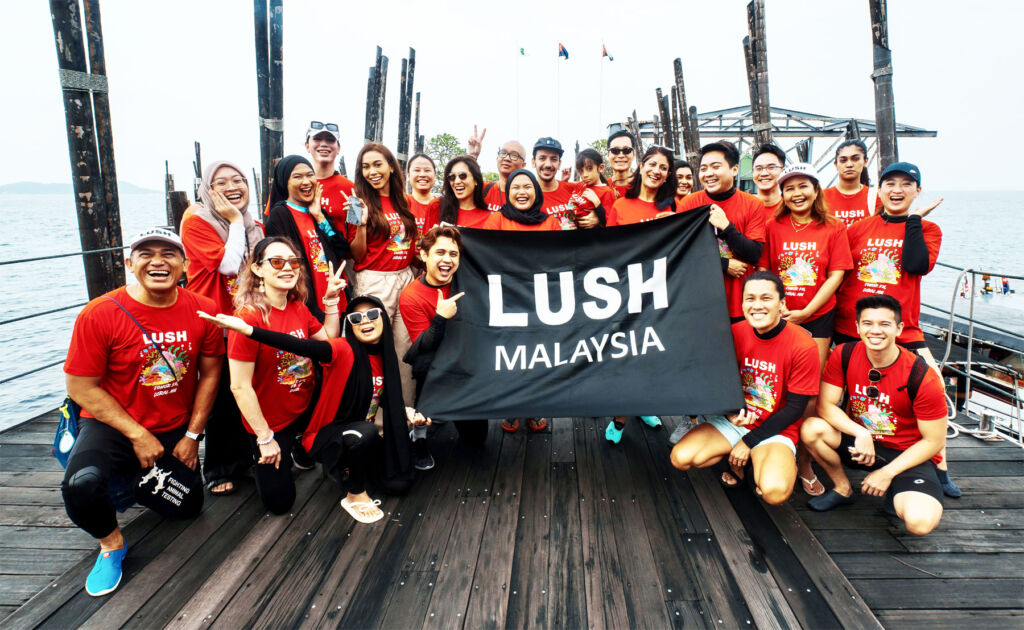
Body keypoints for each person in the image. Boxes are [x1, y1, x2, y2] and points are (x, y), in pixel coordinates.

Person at [63, 228, 224, 596]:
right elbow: (80, 387)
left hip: (173, 425)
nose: (157, 261)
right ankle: (111, 544)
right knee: (81, 485)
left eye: (169, 254)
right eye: (146, 253)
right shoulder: (100, 313)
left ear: (184, 264)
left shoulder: (204, 310)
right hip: (113, 424)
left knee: (187, 507)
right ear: (129, 262)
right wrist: (137, 434)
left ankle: (125, 483)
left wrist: (192, 436)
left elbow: (211, 373)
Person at [200, 295, 423, 524]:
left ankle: (345, 465)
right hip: (330, 433)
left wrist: (405, 410)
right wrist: (250, 330)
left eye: (373, 314)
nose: (365, 321)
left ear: (384, 319)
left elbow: (378, 395)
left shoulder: (386, 356)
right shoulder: (341, 350)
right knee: (364, 435)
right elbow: (299, 344)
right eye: (356, 318)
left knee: (398, 483)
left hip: (355, 433)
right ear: (351, 326)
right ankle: (354, 493)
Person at [832, 161, 960, 497]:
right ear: (879, 190)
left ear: (918, 191)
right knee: (846, 393)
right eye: (890, 183)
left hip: (904, 329)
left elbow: (916, 264)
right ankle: (857, 452)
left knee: (932, 391)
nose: (897, 190)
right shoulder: (858, 229)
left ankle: (938, 466)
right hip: (852, 325)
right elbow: (840, 273)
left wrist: (914, 220)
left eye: (907, 184)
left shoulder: (928, 229)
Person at [801, 295, 947, 535]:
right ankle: (842, 488)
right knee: (812, 428)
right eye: (868, 323)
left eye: (885, 324)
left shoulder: (922, 375)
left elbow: (934, 441)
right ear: (857, 327)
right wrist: (860, 432)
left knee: (920, 523)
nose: (875, 331)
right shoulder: (844, 354)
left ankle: (895, 486)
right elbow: (825, 406)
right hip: (861, 445)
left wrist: (887, 472)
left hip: (906, 453)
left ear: (899, 329)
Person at [670, 271, 820, 503]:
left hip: (776, 428)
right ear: (742, 304)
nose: (757, 305)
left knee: (774, 493)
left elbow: (795, 408)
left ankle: (752, 460)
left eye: (766, 298)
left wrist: (748, 442)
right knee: (681, 458)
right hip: (736, 421)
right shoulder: (735, 332)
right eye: (750, 298)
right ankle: (740, 459)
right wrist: (729, 414)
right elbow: (713, 382)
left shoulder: (803, 345)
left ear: (782, 304)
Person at [226, 236, 345, 514]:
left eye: (294, 262)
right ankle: (261, 453)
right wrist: (265, 438)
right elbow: (240, 386)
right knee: (280, 504)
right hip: (271, 422)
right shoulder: (247, 318)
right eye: (277, 262)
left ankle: (301, 448)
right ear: (257, 270)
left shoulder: (297, 306)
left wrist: (330, 301)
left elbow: (328, 342)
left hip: (305, 407)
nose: (288, 268)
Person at [758, 163, 853, 496]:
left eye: (803, 186)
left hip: (816, 317)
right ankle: (769, 448)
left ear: (816, 189)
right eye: (789, 188)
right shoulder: (774, 225)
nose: (796, 194)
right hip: (779, 314)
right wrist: (780, 308)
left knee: (808, 393)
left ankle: (805, 463)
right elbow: (765, 270)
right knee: (776, 382)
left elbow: (836, 275)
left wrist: (807, 311)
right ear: (782, 193)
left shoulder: (833, 227)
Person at [179, 161, 265, 495]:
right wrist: (232, 221)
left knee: (252, 389)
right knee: (221, 397)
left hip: (249, 319)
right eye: (221, 182)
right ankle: (219, 468)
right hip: (215, 319)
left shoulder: (255, 224)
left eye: (239, 180)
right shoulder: (197, 220)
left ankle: (249, 459)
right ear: (208, 189)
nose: (232, 188)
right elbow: (230, 266)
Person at [343, 142, 420, 406]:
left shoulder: (405, 200)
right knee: (370, 353)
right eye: (365, 166)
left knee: (404, 352)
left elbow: (411, 245)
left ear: (390, 166)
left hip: (406, 279)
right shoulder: (356, 203)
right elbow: (356, 254)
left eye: (377, 164)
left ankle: (406, 417)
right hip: (374, 281)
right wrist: (362, 223)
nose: (372, 171)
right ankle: (372, 424)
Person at [399, 225, 489, 451]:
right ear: (423, 255)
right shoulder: (411, 296)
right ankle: (419, 434)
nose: (447, 259)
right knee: (421, 364)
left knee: (477, 442)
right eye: (440, 252)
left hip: (471, 361)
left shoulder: (468, 279)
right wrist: (440, 317)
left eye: (453, 253)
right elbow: (423, 344)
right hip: (436, 363)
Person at [678, 141, 768, 323]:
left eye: (715, 167)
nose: (708, 173)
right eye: (703, 168)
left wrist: (727, 228)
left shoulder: (753, 204)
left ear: (734, 170)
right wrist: (722, 264)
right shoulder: (688, 204)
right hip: (699, 300)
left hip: (739, 302)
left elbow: (754, 254)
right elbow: (681, 253)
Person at [264, 155, 351, 321]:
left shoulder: (317, 211)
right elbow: (283, 265)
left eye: (310, 175)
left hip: (335, 297)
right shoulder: (281, 214)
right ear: (284, 182)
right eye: (297, 177)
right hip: (309, 302)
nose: (306, 181)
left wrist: (319, 217)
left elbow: (342, 250)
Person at [605, 145, 677, 226]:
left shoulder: (673, 207)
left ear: (667, 175)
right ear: (641, 167)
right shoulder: (619, 206)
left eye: (663, 168)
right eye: (652, 164)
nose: (656, 171)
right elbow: (609, 238)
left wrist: (675, 223)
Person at [531, 137, 592, 229]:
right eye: (542, 158)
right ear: (533, 162)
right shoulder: (527, 196)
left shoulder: (574, 189)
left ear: (559, 164)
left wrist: (596, 216)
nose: (548, 164)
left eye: (553, 159)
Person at [483, 169, 568, 232]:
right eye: (515, 187)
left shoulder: (551, 223)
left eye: (527, 187)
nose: (522, 192)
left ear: (536, 191)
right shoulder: (497, 220)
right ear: (508, 193)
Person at [304, 120, 355, 222]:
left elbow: (359, 233)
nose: (323, 144)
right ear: (307, 146)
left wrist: (359, 221)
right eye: (317, 139)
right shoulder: (292, 184)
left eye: (330, 140)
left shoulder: (352, 190)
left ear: (338, 148)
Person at [822, 139, 879, 227]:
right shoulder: (822, 197)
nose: (849, 165)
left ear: (865, 161)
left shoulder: (876, 197)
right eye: (843, 160)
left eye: (855, 159)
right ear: (835, 164)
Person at [437, 155, 493, 228]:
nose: (457, 181)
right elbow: (425, 239)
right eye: (452, 177)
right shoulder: (437, 207)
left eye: (462, 176)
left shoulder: (490, 218)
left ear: (475, 180)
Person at [483, 140, 528, 211]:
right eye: (503, 153)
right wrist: (473, 155)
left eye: (514, 155)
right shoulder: (483, 189)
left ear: (523, 165)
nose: (506, 158)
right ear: (497, 158)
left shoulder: (527, 197)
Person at [575, 148, 618, 218]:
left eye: (589, 168)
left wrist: (597, 204)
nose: (584, 175)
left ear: (601, 168)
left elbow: (611, 220)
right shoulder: (581, 185)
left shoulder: (607, 192)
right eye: (581, 171)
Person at [407, 153, 441, 234]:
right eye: (417, 170)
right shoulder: (401, 203)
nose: (422, 174)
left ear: (435, 176)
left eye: (427, 170)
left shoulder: (442, 205)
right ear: (408, 175)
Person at [751, 144, 786, 216]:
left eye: (771, 167)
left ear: (783, 171)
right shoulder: (744, 208)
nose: (764, 173)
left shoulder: (791, 209)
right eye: (758, 168)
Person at [607, 129, 637, 198]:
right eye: (615, 150)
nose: (621, 155)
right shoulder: (602, 187)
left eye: (627, 150)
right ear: (608, 154)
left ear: (634, 154)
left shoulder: (644, 187)